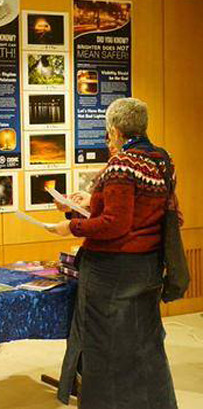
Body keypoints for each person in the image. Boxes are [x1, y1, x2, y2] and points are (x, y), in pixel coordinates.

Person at [49, 97, 179, 409]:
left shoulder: (122, 163)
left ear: (115, 129)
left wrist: (73, 226)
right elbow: (142, 213)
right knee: (145, 344)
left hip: (113, 272)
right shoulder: (161, 158)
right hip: (148, 264)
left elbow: (115, 224)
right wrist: (90, 201)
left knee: (104, 349)